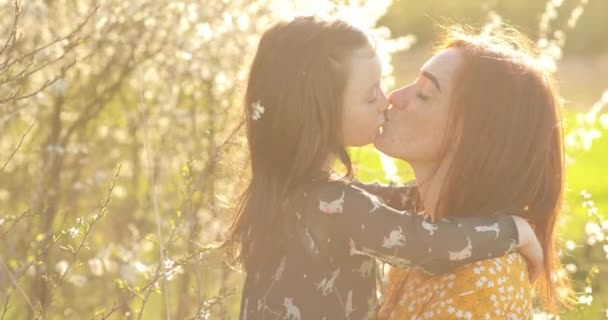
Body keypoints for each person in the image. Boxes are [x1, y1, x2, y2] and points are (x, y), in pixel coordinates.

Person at [222, 16, 542, 320]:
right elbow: (425, 244)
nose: (385, 100)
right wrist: (514, 230)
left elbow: (393, 200)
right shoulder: (332, 205)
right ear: (322, 115)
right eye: (368, 94)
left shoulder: (299, 195)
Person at [374, 25, 574, 319]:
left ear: (477, 137)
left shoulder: (481, 276)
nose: (395, 96)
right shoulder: (428, 232)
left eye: (425, 94)